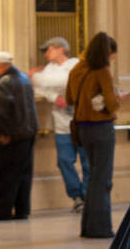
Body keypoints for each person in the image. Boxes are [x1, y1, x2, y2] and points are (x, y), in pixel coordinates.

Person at [65, 32, 130, 239]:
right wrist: (119, 99)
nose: (111, 59)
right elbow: (111, 104)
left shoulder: (76, 69)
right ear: (107, 52)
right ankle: (100, 228)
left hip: (83, 129)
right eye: (112, 54)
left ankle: (88, 227)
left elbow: (68, 97)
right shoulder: (102, 71)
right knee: (102, 180)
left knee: (93, 177)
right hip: (101, 128)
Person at [29, 37, 87, 213]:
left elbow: (55, 82)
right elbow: (39, 88)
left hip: (81, 123)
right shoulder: (50, 69)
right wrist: (54, 97)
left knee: (87, 162)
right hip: (61, 125)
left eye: (49, 49)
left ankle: (87, 195)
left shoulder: (76, 65)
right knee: (64, 161)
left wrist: (35, 75)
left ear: (61, 49)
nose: (46, 54)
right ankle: (77, 196)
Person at [0, 52, 39, 222]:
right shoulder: (24, 78)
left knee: (5, 176)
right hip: (28, 133)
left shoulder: (3, 83)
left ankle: (2, 212)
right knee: (24, 174)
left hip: (11, 136)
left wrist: (0, 133)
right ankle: (22, 210)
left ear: (1, 66)